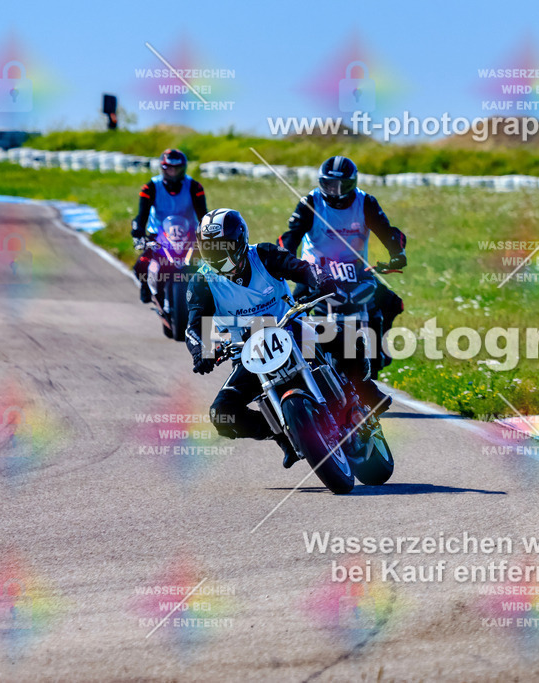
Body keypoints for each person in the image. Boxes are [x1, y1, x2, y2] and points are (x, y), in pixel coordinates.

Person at [185, 208, 391, 468]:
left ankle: (363, 391)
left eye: (223, 248)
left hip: (293, 329)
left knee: (350, 339)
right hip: (250, 355)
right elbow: (193, 327)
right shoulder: (202, 282)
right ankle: (283, 435)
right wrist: (201, 351)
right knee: (222, 414)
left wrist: (319, 277)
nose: (218, 257)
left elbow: (300, 268)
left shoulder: (264, 254)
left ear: (239, 241)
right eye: (210, 249)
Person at [278, 156, 407, 373]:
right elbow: (291, 236)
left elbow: (386, 231)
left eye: (341, 186)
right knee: (293, 313)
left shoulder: (366, 202)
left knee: (392, 303)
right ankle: (295, 363)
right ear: (321, 182)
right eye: (329, 185)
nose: (335, 192)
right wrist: (285, 262)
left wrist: (397, 253)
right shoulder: (310, 202)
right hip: (314, 271)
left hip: (355, 270)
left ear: (353, 184)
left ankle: (378, 353)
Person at [131, 149, 208, 303]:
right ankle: (146, 286)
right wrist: (138, 231)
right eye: (169, 168)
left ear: (183, 168)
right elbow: (142, 215)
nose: (173, 172)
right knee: (141, 265)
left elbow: (203, 215)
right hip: (159, 235)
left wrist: (206, 233)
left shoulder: (195, 187)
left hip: (189, 234)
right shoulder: (150, 188)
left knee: (207, 266)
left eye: (177, 168)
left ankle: (205, 297)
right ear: (163, 168)